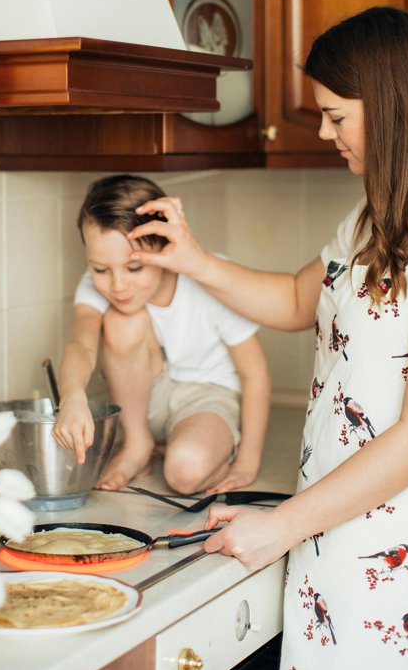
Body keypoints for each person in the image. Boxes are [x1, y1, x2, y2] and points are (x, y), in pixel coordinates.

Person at [127, 7, 408, 670]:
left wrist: (282, 524)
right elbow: (297, 301)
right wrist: (190, 259)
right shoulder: (375, 216)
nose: (324, 133)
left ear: (390, 107)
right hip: (340, 536)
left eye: (334, 115)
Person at [52, 173, 271, 495]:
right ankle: (139, 444)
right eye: (100, 270)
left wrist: (247, 463)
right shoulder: (103, 282)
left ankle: (201, 449)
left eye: (134, 268)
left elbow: (256, 375)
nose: (118, 285)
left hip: (207, 398)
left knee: (185, 473)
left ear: (166, 246)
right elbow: (81, 344)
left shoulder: (209, 277)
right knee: (120, 320)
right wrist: (72, 397)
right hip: (144, 401)